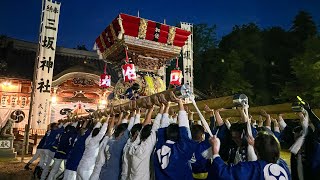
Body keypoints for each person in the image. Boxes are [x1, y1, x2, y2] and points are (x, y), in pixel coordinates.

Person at [208, 131, 291, 180]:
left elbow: (223, 173)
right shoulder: (283, 165)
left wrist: (215, 151)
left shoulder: (252, 168)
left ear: (256, 151)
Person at [153, 92, 198, 180]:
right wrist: (179, 103)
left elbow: (162, 130)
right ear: (179, 135)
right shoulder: (180, 150)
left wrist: (169, 105)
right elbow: (184, 130)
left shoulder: (159, 147)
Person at [99, 110, 136, 180]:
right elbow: (130, 129)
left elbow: (115, 129)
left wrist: (124, 116)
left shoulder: (109, 141)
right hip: (113, 176)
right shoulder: (119, 144)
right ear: (122, 133)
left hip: (103, 174)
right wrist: (134, 113)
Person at [128, 103, 162, 180]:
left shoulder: (132, 147)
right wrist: (162, 108)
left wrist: (150, 110)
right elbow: (154, 127)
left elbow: (142, 132)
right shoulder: (146, 147)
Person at [120, 110, 142, 180]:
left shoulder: (128, 142)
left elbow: (132, 128)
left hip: (124, 175)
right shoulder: (134, 147)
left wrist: (135, 114)